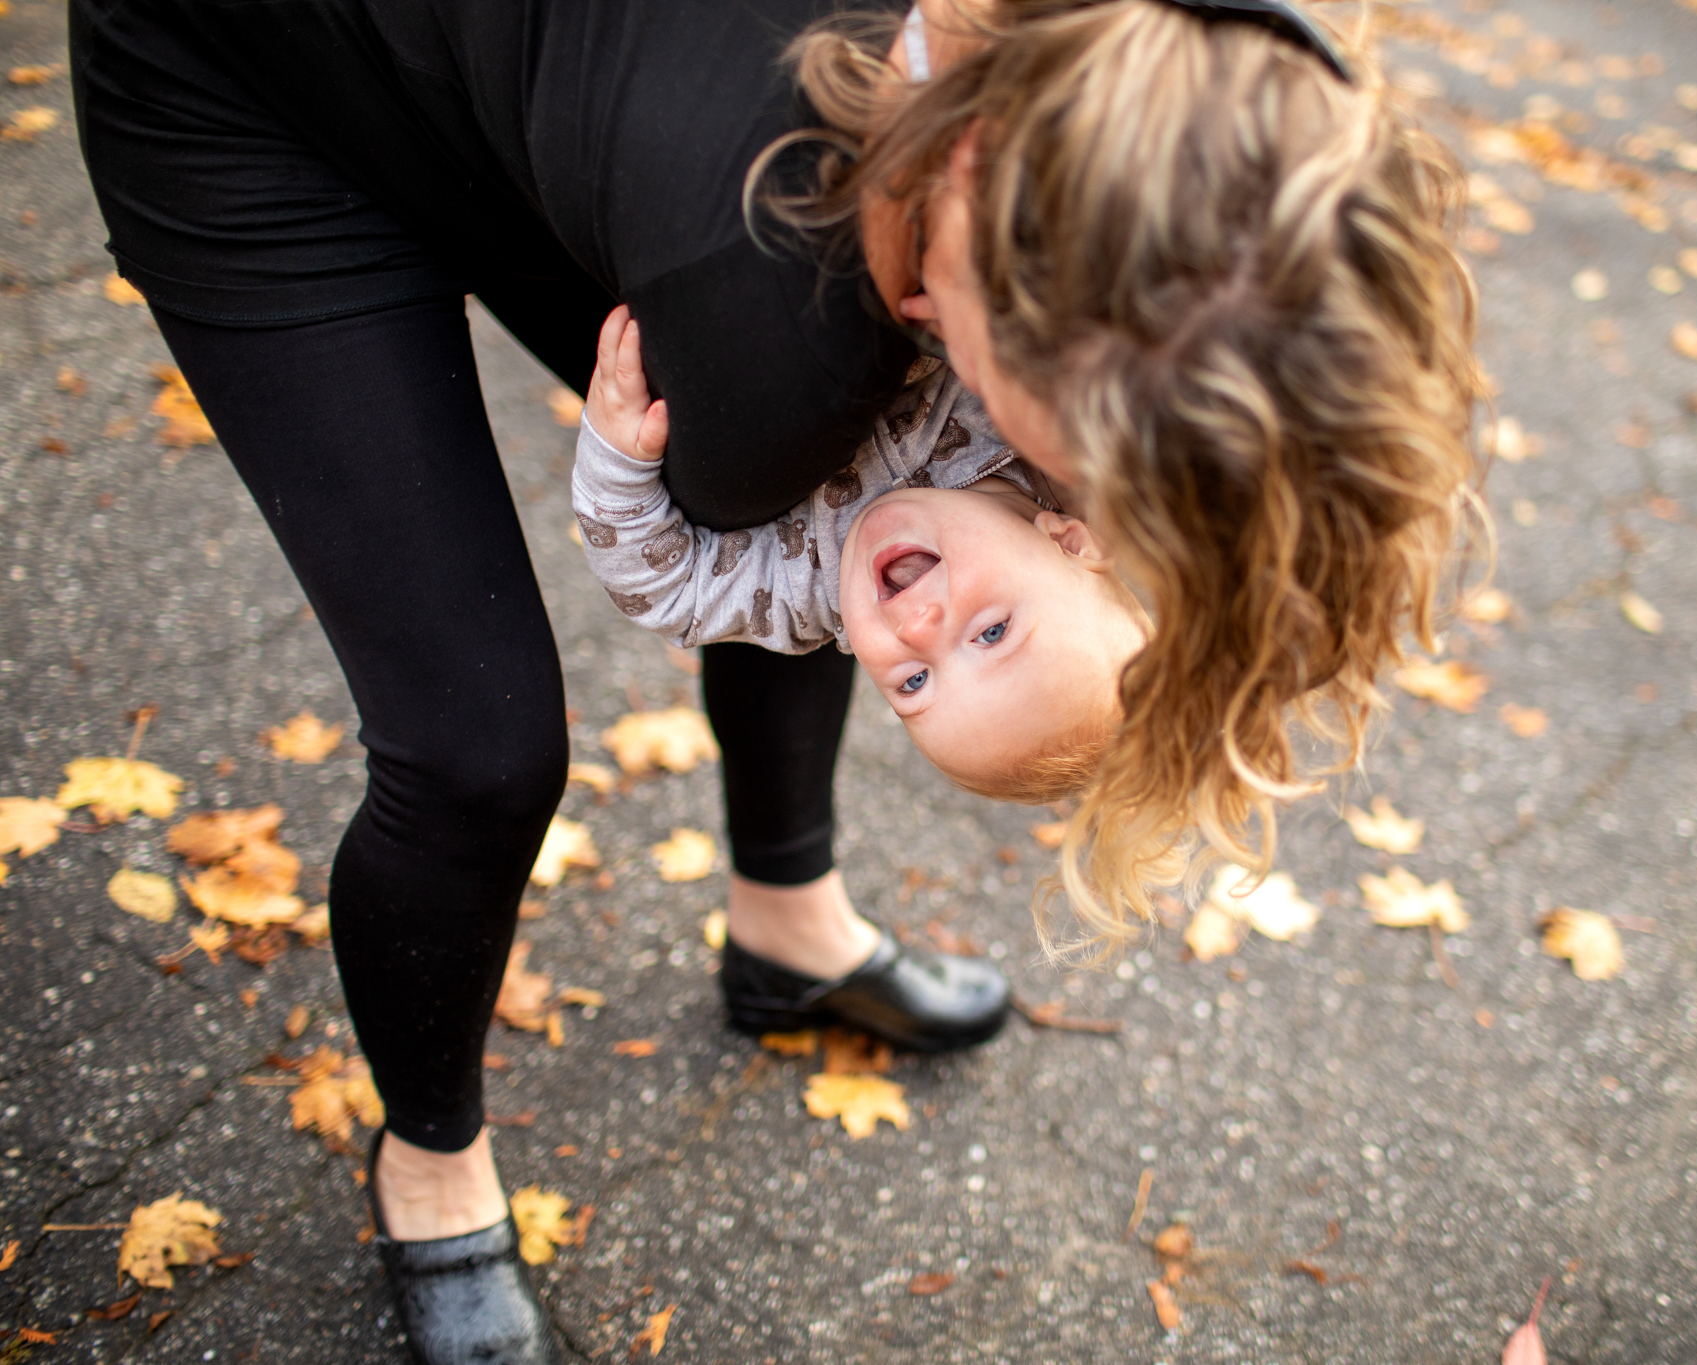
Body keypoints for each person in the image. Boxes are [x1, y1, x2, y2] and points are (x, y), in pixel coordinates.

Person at [69, 0, 1478, 1358]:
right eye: (1092, 447)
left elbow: (824, 586)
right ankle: (428, 1158)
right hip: (250, 76)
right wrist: (635, 463)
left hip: (549, 99)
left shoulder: (1124, 93)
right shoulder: (776, 330)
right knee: (479, 746)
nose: (921, 631)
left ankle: (786, 922)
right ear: (947, 268)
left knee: (861, 573)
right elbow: (687, 562)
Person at [575, 308, 1148, 809]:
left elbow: (669, 593)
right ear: (1070, 542)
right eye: (992, 632)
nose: (919, 630)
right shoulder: (1051, 434)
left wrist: (617, 455)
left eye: (915, 682)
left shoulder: (805, 589)